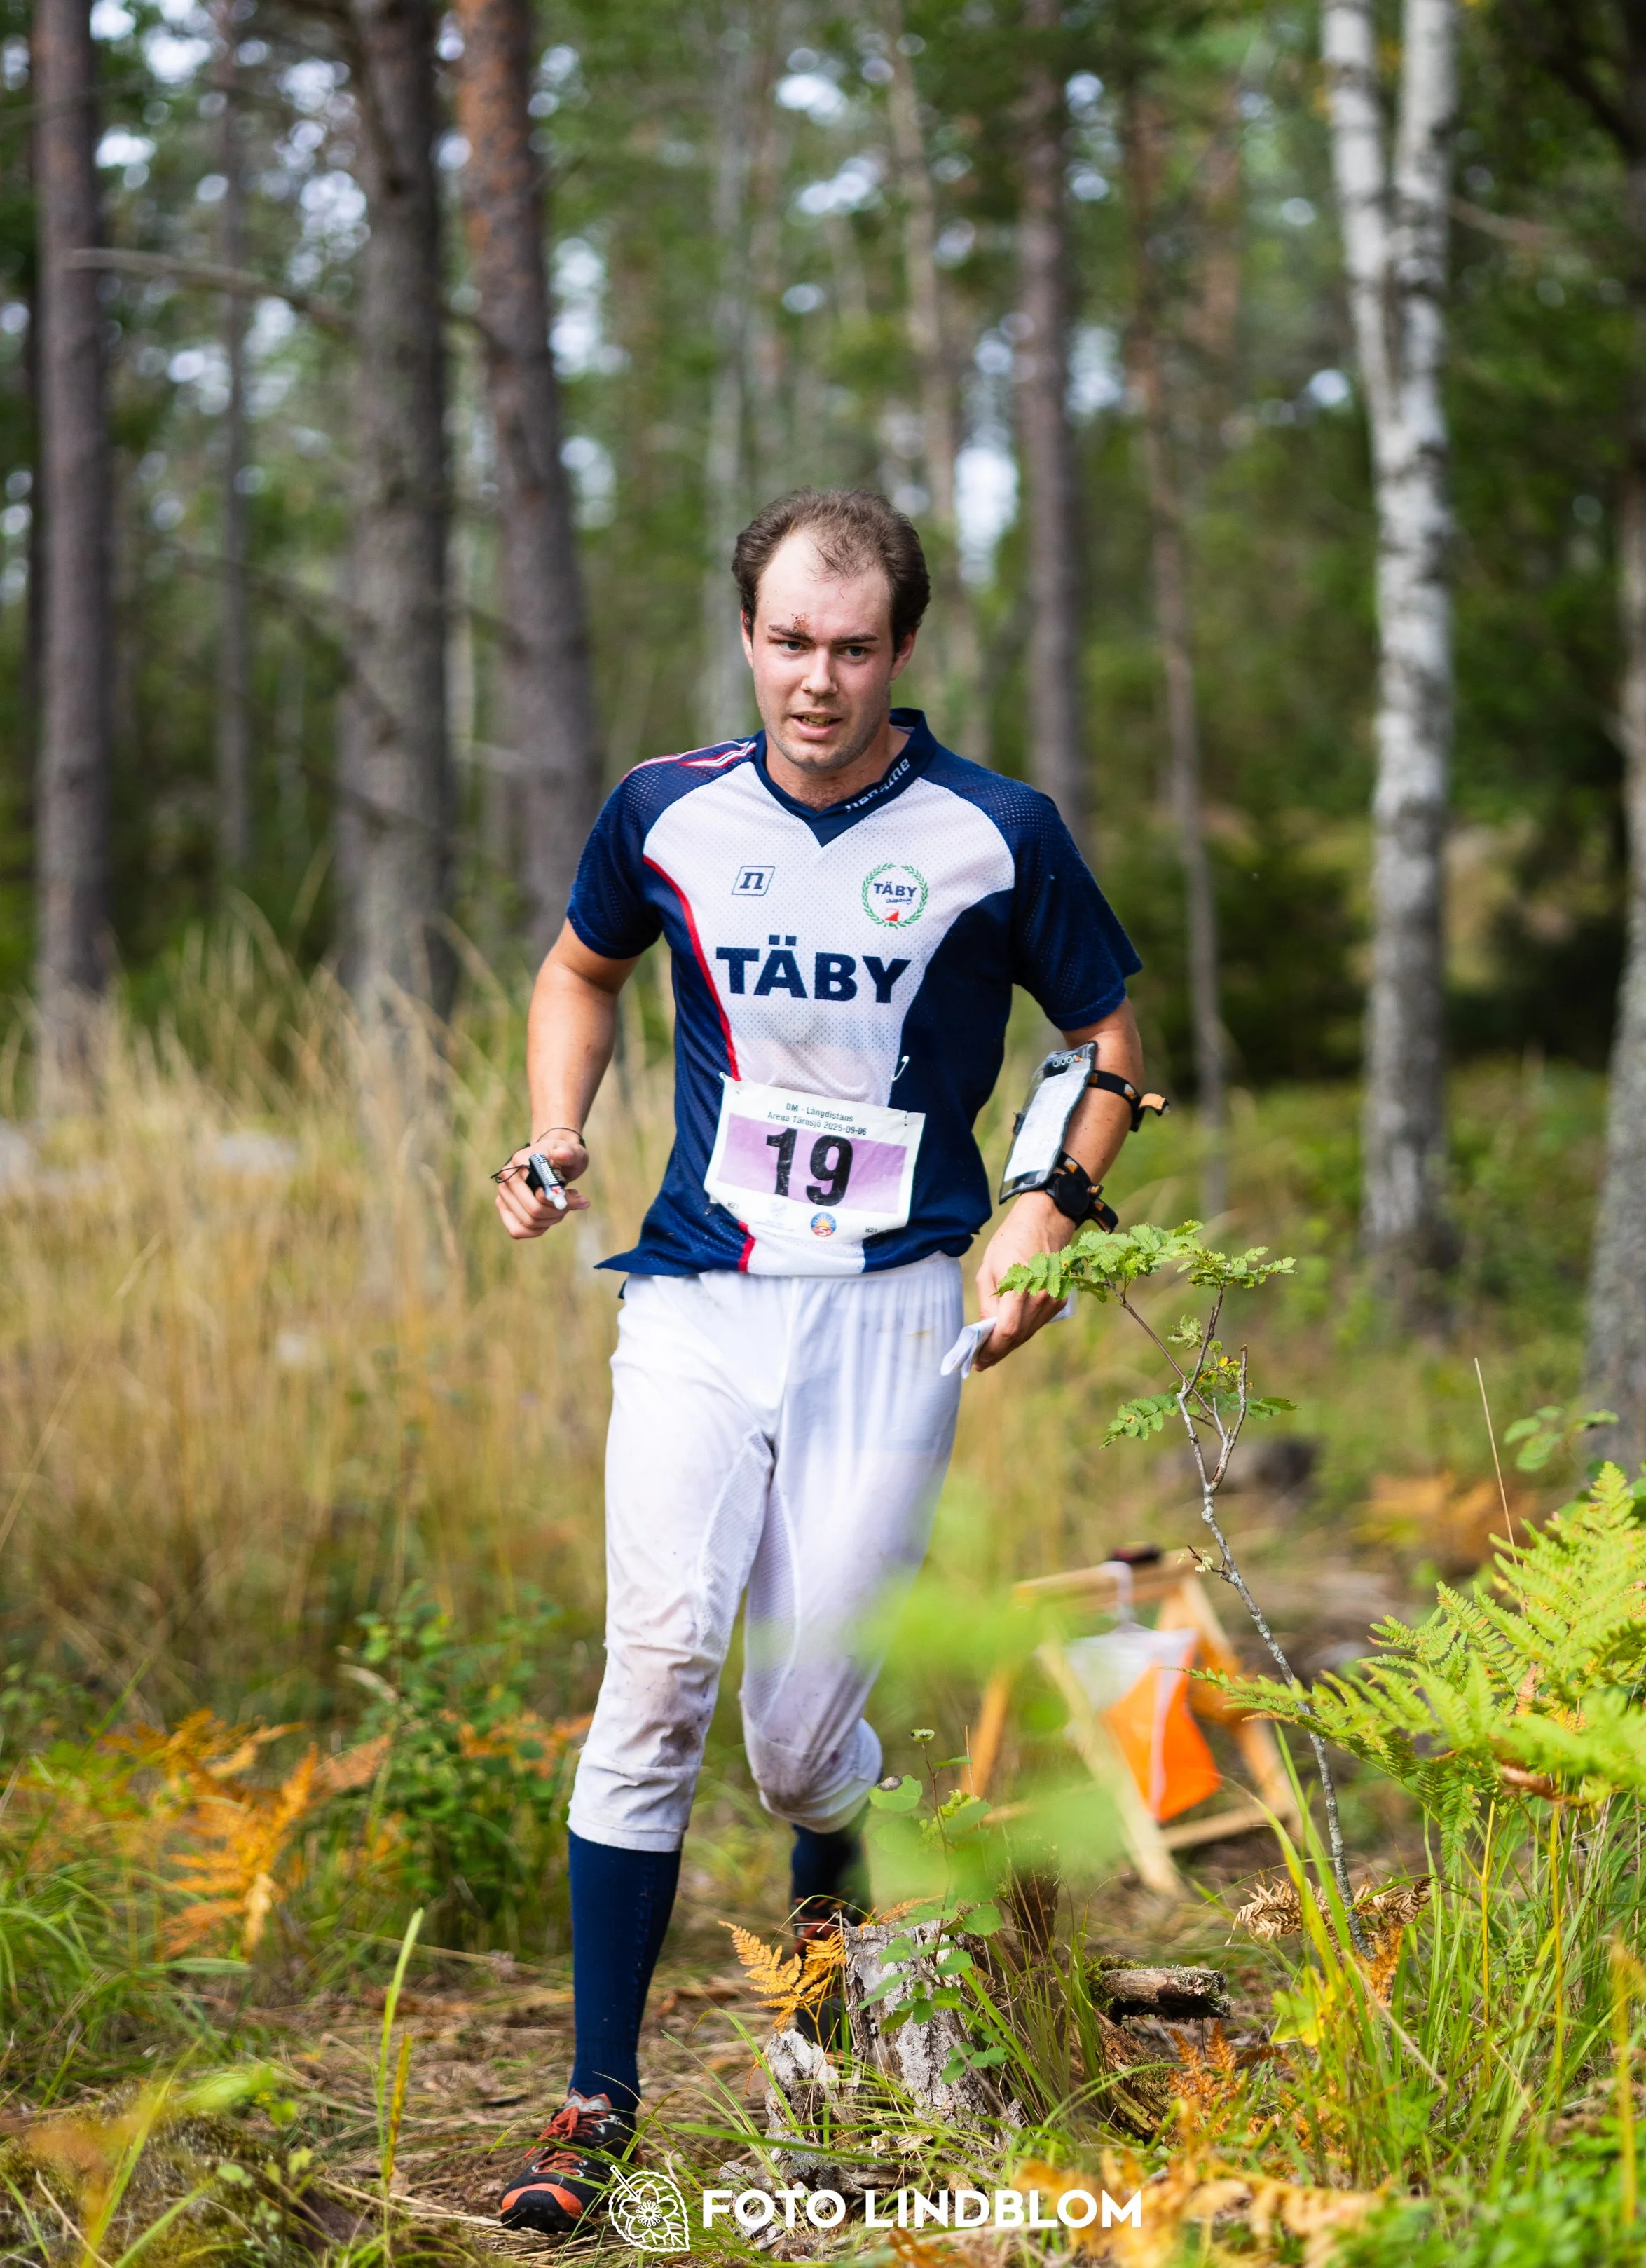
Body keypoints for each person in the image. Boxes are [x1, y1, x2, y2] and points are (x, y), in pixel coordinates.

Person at [492, 487, 1148, 2234]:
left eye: (852, 648)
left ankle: (850, 1968)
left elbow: (1103, 1033)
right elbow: (577, 972)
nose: (815, 679)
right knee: (654, 1672)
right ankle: (596, 2102)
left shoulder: (994, 832)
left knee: (797, 1748)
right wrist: (555, 1132)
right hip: (697, 1296)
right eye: (787, 641)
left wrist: (1045, 1208)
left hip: (890, 1312)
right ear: (745, 635)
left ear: (901, 651)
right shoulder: (665, 810)